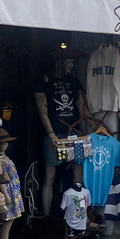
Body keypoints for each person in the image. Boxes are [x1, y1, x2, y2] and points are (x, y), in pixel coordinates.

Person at [35, 57, 88, 217]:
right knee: (49, 176)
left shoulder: (74, 81)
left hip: (75, 135)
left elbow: (81, 107)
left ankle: (78, 216)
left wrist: (86, 132)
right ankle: (46, 215)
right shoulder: (44, 82)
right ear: (60, 62)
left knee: (78, 175)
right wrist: (51, 133)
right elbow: (42, 110)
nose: (72, 65)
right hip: (55, 135)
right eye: (69, 61)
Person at [0, 128, 24, 239]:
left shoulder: (7, 157)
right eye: (1, 143)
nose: (4, 145)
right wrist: (5, 194)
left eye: (5, 143)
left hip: (14, 188)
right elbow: (0, 178)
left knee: (12, 217)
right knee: (8, 217)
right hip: (8, 189)